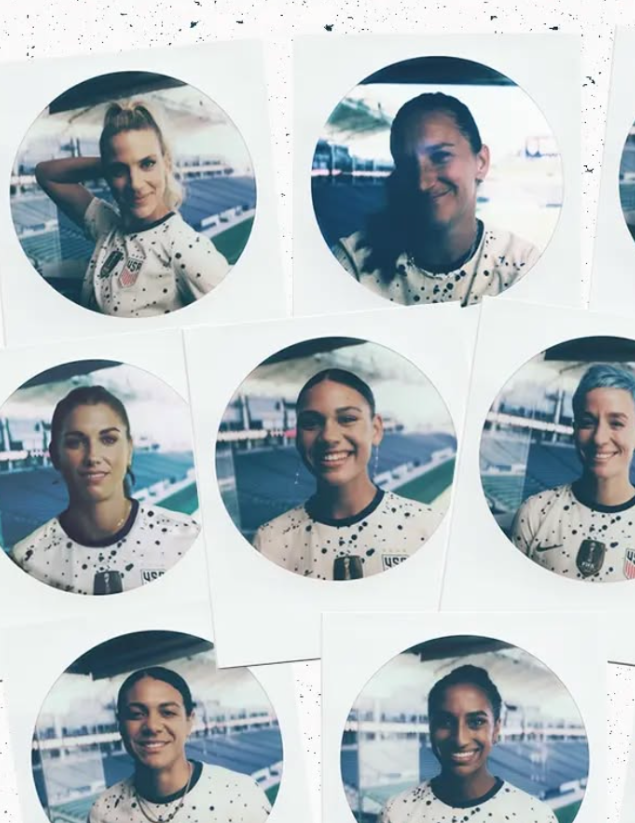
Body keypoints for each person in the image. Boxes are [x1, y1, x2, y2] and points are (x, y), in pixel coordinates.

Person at [331, 92, 540, 306]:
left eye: (440, 157)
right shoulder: (352, 264)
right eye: (407, 164)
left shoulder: (522, 266)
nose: (422, 183)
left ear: (481, 162)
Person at [34, 99, 231, 317]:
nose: (136, 184)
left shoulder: (185, 248)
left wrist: (118, 160)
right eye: (119, 170)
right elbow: (46, 174)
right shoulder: (106, 226)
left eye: (147, 163)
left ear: (166, 163)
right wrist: (111, 160)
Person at [375, 664, 563, 823]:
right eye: (445, 722)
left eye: (476, 722)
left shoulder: (537, 820)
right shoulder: (396, 813)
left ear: (496, 729)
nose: (460, 739)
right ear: (430, 728)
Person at [83, 667, 271, 823]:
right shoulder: (103, 813)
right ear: (120, 725)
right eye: (136, 714)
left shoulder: (242, 796)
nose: (152, 726)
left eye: (168, 712)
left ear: (190, 721)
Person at [8, 385, 199, 594]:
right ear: (55, 455)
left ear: (129, 450)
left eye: (108, 440)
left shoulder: (186, 538)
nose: (93, 456)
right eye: (75, 443)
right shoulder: (27, 560)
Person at [509, 363, 635, 581]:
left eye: (616, 423)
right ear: (575, 430)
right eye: (587, 423)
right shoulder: (535, 514)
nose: (599, 438)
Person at [252, 369, 435, 579]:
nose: (329, 437)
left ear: (376, 429)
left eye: (347, 418)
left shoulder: (428, 528)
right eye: (310, 423)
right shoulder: (270, 542)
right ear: (298, 437)